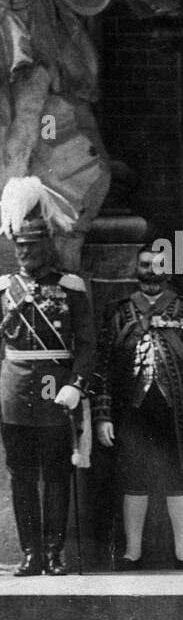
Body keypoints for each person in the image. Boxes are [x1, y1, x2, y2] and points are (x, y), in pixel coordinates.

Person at [92, 244, 183, 570]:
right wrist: (103, 415)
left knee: (179, 479)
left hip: (177, 409)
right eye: (146, 265)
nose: (151, 271)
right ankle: (131, 553)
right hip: (132, 411)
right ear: (137, 269)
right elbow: (104, 367)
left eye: (159, 265)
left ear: (170, 270)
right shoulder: (119, 312)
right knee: (133, 479)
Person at [0, 176, 94, 575]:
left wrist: (77, 384)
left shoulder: (69, 286)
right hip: (15, 389)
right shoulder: (4, 289)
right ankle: (30, 553)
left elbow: (88, 344)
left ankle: (54, 552)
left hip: (57, 391)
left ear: (47, 246)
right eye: (19, 246)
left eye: (31, 247)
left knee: (57, 473)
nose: (24, 254)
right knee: (21, 475)